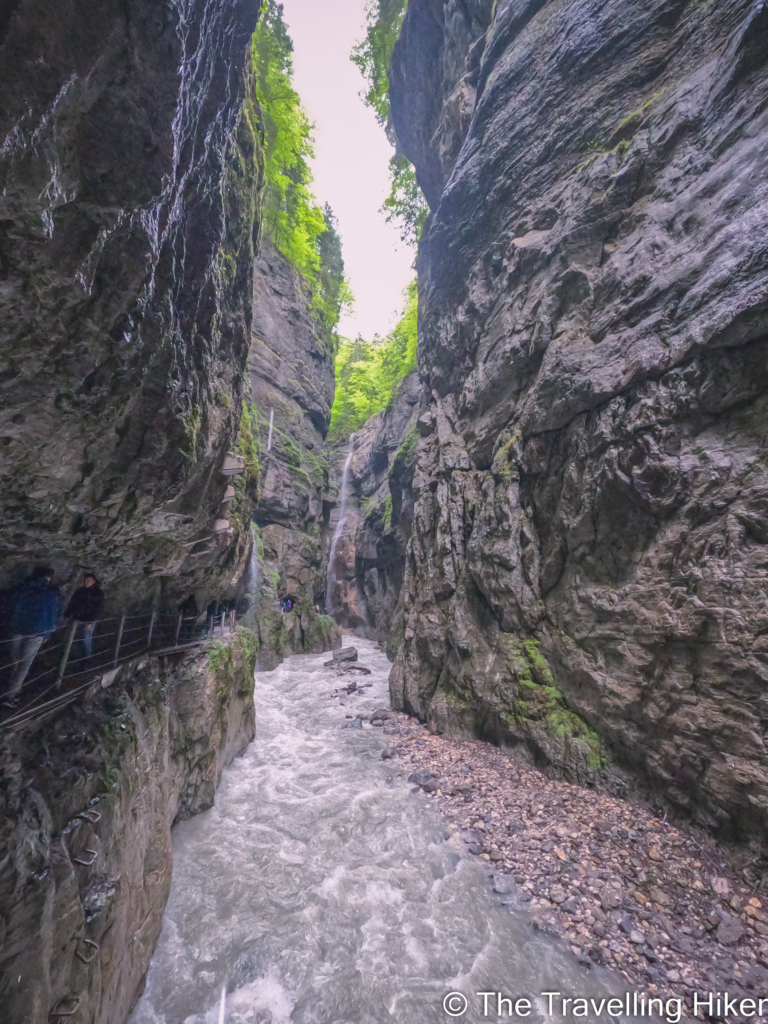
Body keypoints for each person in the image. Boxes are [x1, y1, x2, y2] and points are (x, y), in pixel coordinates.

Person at [4, 567, 62, 705]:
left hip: (18, 629)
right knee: (24, 664)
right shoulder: (51, 594)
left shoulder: (22, 589)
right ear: (47, 578)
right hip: (37, 631)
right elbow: (52, 615)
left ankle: (15, 689)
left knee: (16, 661)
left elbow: (12, 607)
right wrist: (48, 632)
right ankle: (11, 696)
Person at [65, 572, 104, 662]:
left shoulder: (97, 593)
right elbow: (73, 603)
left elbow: (98, 608)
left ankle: (87, 658)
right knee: (75, 637)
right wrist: (67, 614)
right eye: (85, 580)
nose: (86, 582)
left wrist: (91, 621)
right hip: (77, 618)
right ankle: (77, 657)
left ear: (93, 581)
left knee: (86, 638)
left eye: (89, 580)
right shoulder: (80, 591)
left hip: (88, 619)